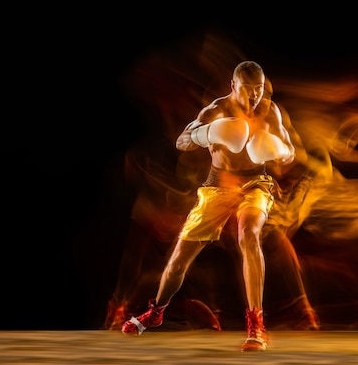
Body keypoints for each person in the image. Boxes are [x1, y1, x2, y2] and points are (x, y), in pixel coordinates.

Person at [121, 60, 319, 351]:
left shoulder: (270, 110)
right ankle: (155, 313)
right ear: (233, 86)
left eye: (258, 89)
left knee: (249, 235)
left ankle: (256, 325)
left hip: (256, 184)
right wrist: (208, 133)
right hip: (217, 188)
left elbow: (288, 152)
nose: (253, 96)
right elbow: (182, 142)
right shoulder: (216, 110)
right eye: (247, 89)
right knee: (179, 258)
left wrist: (280, 150)